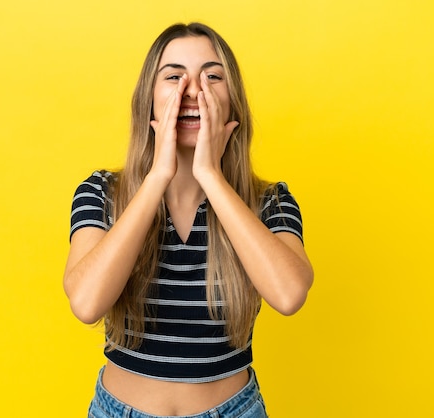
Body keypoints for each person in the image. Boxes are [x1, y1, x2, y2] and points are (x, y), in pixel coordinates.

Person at [64, 22, 313, 418]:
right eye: (174, 76)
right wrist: (157, 176)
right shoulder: (102, 193)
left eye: (213, 76)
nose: (193, 91)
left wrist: (211, 176)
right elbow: (86, 302)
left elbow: (288, 295)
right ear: (149, 99)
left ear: (233, 103)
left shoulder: (269, 202)